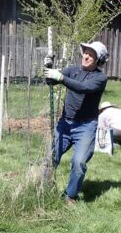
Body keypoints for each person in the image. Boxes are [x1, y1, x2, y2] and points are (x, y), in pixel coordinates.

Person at [44, 41, 109, 205]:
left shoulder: (100, 78)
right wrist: (48, 68)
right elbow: (52, 81)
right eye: (85, 52)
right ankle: (43, 189)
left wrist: (60, 77)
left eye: (91, 54)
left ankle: (70, 196)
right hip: (65, 123)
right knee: (51, 156)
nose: (86, 56)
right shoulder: (72, 70)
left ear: (98, 59)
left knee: (79, 162)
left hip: (86, 127)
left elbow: (82, 88)